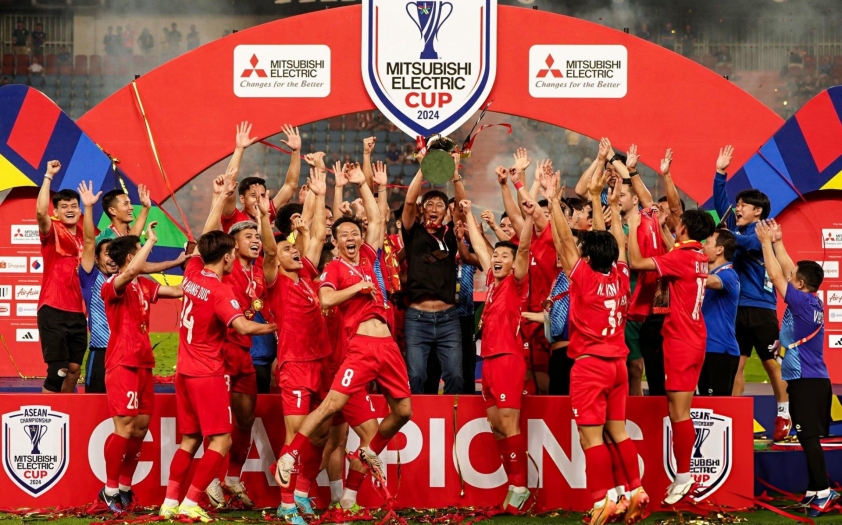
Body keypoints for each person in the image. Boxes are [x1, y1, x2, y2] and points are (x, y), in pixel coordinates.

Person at [274, 163, 412, 499]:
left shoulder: (366, 259)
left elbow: (376, 221)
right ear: (334, 243)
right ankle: (292, 463)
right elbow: (326, 297)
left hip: (387, 348)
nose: (351, 238)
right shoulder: (333, 270)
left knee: (402, 413)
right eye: (343, 235)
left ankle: (362, 465)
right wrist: (357, 288)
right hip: (354, 354)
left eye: (354, 234)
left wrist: (364, 183)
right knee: (330, 419)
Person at [159, 195, 277, 520]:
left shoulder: (192, 272)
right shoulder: (220, 290)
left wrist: (218, 198)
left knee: (190, 440)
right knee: (221, 441)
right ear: (227, 257)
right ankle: (192, 501)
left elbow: (203, 241)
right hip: (208, 372)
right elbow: (242, 326)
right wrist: (275, 326)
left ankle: (170, 502)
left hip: (184, 370)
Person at [549, 166, 648, 524]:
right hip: (618, 365)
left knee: (590, 439)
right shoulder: (621, 275)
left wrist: (553, 200)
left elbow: (564, 242)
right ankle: (635, 491)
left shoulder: (586, 280)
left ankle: (603, 501)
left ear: (588, 258)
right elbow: (616, 241)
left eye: (583, 251)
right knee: (618, 432)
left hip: (590, 366)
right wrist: (605, 202)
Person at [628, 207, 714, 505]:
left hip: (680, 341)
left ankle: (684, 475)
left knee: (678, 413)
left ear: (685, 229)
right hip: (695, 337)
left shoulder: (681, 257)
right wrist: (662, 228)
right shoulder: (698, 255)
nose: (675, 228)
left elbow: (635, 262)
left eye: (678, 225)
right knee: (681, 411)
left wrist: (633, 225)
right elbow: (674, 250)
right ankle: (683, 475)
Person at [262, 166, 333, 523]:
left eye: (293, 248)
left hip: (322, 362)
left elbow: (315, 235)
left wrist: (319, 194)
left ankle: (302, 492)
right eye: (287, 249)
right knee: (295, 434)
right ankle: (286, 503)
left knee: (319, 434)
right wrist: (263, 217)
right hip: (295, 365)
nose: (293, 251)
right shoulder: (274, 282)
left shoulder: (306, 275)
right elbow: (270, 251)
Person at [97, 225, 182, 513]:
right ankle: (109, 490)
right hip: (122, 362)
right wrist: (151, 241)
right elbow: (132, 271)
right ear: (132, 256)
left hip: (144, 362)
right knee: (125, 427)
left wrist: (201, 270)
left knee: (140, 428)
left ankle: (124, 487)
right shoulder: (112, 284)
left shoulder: (143, 285)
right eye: (140, 250)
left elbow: (177, 290)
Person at [756, 220, 837, 517]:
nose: (790, 279)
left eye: (794, 279)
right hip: (811, 380)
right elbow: (789, 271)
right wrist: (779, 241)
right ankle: (815, 490)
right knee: (806, 437)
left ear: (800, 285)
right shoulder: (810, 300)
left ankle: (824, 492)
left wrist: (765, 243)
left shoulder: (801, 302)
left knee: (808, 438)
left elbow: (777, 275)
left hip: (807, 381)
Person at [201, 168, 270, 509]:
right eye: (249, 236)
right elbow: (209, 234)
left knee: (245, 420)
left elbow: (275, 249)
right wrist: (221, 195)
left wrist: (264, 218)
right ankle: (210, 479)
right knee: (219, 424)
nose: (256, 240)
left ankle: (231, 476)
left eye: (257, 236)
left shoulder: (261, 271)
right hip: (221, 352)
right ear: (233, 244)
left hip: (245, 353)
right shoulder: (223, 270)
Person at [461, 195, 533, 513]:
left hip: (508, 358)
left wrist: (528, 220)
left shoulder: (516, 283)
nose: (499, 258)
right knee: (496, 425)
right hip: (489, 361)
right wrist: (468, 214)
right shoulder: (492, 280)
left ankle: (520, 486)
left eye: (505, 255)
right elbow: (479, 247)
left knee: (508, 422)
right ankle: (514, 484)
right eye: (497, 255)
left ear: (514, 263)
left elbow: (524, 249)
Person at [714, 145, 791, 440]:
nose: (737, 208)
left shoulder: (763, 232)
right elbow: (722, 207)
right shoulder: (737, 228)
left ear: (757, 210)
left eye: (743, 205)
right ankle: (732, 416)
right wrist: (720, 173)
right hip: (735, 309)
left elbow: (743, 243)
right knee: (737, 364)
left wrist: (723, 233)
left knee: (771, 363)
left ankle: (784, 414)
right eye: (737, 205)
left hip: (761, 309)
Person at [401, 152, 470, 394]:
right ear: (422, 210)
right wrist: (424, 167)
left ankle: (452, 417)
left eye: (439, 205)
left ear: (446, 213)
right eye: (429, 204)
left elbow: (462, 207)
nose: (434, 208)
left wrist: (455, 174)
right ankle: (417, 416)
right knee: (416, 376)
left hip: (448, 318)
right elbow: (409, 203)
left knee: (455, 376)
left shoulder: (451, 234)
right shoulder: (413, 232)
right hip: (416, 318)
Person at [35, 161, 86, 393]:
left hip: (77, 312)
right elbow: (40, 213)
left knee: (74, 369)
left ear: (80, 210)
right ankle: (49, 412)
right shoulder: (53, 231)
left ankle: (66, 410)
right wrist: (48, 176)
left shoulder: (85, 237)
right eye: (64, 206)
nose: (70, 209)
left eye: (74, 205)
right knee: (59, 370)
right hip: (52, 308)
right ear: (56, 212)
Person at [699, 229, 740, 396]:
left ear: (719, 249)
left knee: (715, 406)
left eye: (707, 243)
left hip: (720, 351)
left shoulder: (729, 275)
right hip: (707, 349)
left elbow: (706, 281)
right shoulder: (712, 273)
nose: (702, 246)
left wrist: (683, 263)